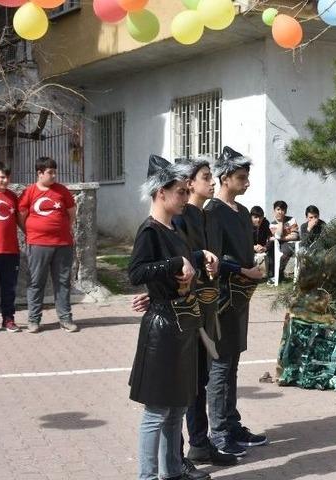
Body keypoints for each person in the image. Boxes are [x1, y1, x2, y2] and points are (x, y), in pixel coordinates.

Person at [128, 155, 218, 480]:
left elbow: (177, 259)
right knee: (156, 412)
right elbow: (135, 271)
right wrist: (176, 264)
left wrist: (198, 255)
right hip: (162, 328)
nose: (184, 197)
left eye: (184, 190)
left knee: (178, 407)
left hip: (182, 326)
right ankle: (148, 477)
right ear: (160, 193)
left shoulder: (173, 228)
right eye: (179, 191)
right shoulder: (149, 231)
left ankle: (172, 471)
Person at [172, 158, 238, 471]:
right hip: (186, 308)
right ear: (188, 183)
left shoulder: (205, 216)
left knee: (201, 379)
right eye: (206, 177)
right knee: (185, 385)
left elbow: (210, 258)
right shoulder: (179, 218)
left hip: (208, 303)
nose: (212, 183)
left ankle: (200, 444)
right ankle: (180, 454)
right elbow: (179, 261)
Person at [204, 147, 267, 457]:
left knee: (233, 363)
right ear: (224, 177)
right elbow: (212, 257)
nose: (246, 183)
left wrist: (253, 265)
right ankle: (217, 432)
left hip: (242, 296)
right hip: (222, 298)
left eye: (247, 177)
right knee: (220, 365)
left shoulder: (242, 212)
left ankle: (231, 423)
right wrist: (242, 269)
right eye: (241, 177)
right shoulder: (212, 211)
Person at [18, 156, 77, 333]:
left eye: (55, 172)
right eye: (50, 172)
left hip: (62, 244)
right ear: (40, 173)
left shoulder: (62, 191)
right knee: (36, 282)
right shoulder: (30, 192)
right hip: (38, 245)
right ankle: (34, 320)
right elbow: (21, 216)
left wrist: (63, 228)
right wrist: (31, 232)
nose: (54, 176)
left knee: (62, 282)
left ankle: (65, 319)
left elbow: (71, 213)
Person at [0, 162, 21, 333]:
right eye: (2, 176)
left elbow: (20, 220)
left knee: (9, 288)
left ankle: (8, 319)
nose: (5, 180)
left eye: (8, 177)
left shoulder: (12, 196)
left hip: (11, 251)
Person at [267, 200, 298, 282]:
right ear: (274, 211)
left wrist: (281, 238)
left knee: (284, 251)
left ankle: (277, 276)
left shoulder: (291, 220)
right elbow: (277, 236)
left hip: (290, 244)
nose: (280, 212)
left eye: (283, 210)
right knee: (273, 251)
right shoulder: (272, 224)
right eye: (278, 209)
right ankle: (275, 275)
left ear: (285, 211)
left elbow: (295, 235)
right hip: (277, 245)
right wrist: (280, 223)